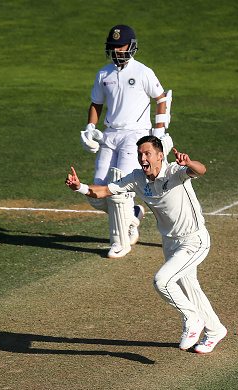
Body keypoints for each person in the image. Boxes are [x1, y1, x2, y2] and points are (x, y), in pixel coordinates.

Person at [65, 136, 227, 353]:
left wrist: (189, 163)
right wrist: (80, 187)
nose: (143, 158)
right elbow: (104, 191)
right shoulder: (136, 178)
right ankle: (215, 330)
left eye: (147, 153)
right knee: (190, 288)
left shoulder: (174, 172)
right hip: (170, 243)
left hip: (193, 240)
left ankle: (192, 319)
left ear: (160, 156)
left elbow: (201, 170)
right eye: (140, 154)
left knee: (162, 281)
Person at [79, 24, 174, 259]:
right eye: (112, 47)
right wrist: (91, 127)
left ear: (131, 47)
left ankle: (120, 243)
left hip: (135, 135)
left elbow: (161, 98)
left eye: (120, 47)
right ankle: (132, 216)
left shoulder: (143, 72)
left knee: (118, 189)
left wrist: (159, 131)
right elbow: (96, 103)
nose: (116, 51)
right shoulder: (103, 74)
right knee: (96, 195)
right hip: (110, 135)